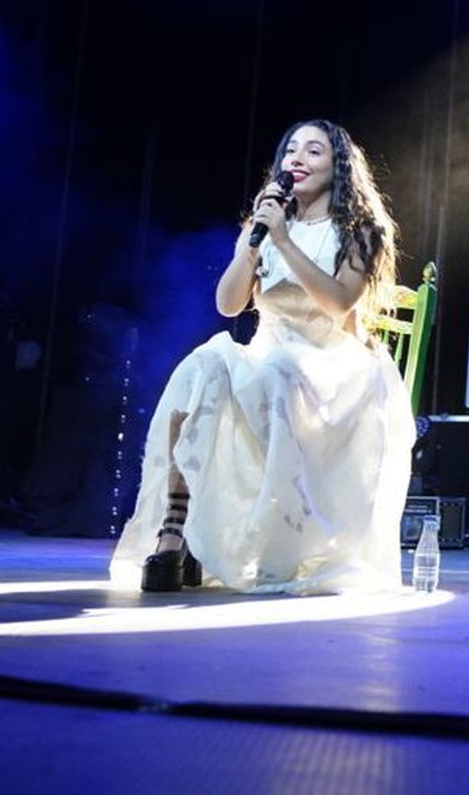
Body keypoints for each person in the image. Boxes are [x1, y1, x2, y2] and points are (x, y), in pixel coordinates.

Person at [110, 119, 416, 594]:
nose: (297, 158)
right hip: (271, 353)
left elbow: (338, 303)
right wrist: (255, 243)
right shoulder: (266, 224)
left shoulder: (361, 230)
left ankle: (278, 545)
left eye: (314, 151)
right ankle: (175, 530)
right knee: (201, 367)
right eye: (291, 150)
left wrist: (284, 242)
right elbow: (228, 305)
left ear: (339, 168)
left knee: (280, 372)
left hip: (332, 363)